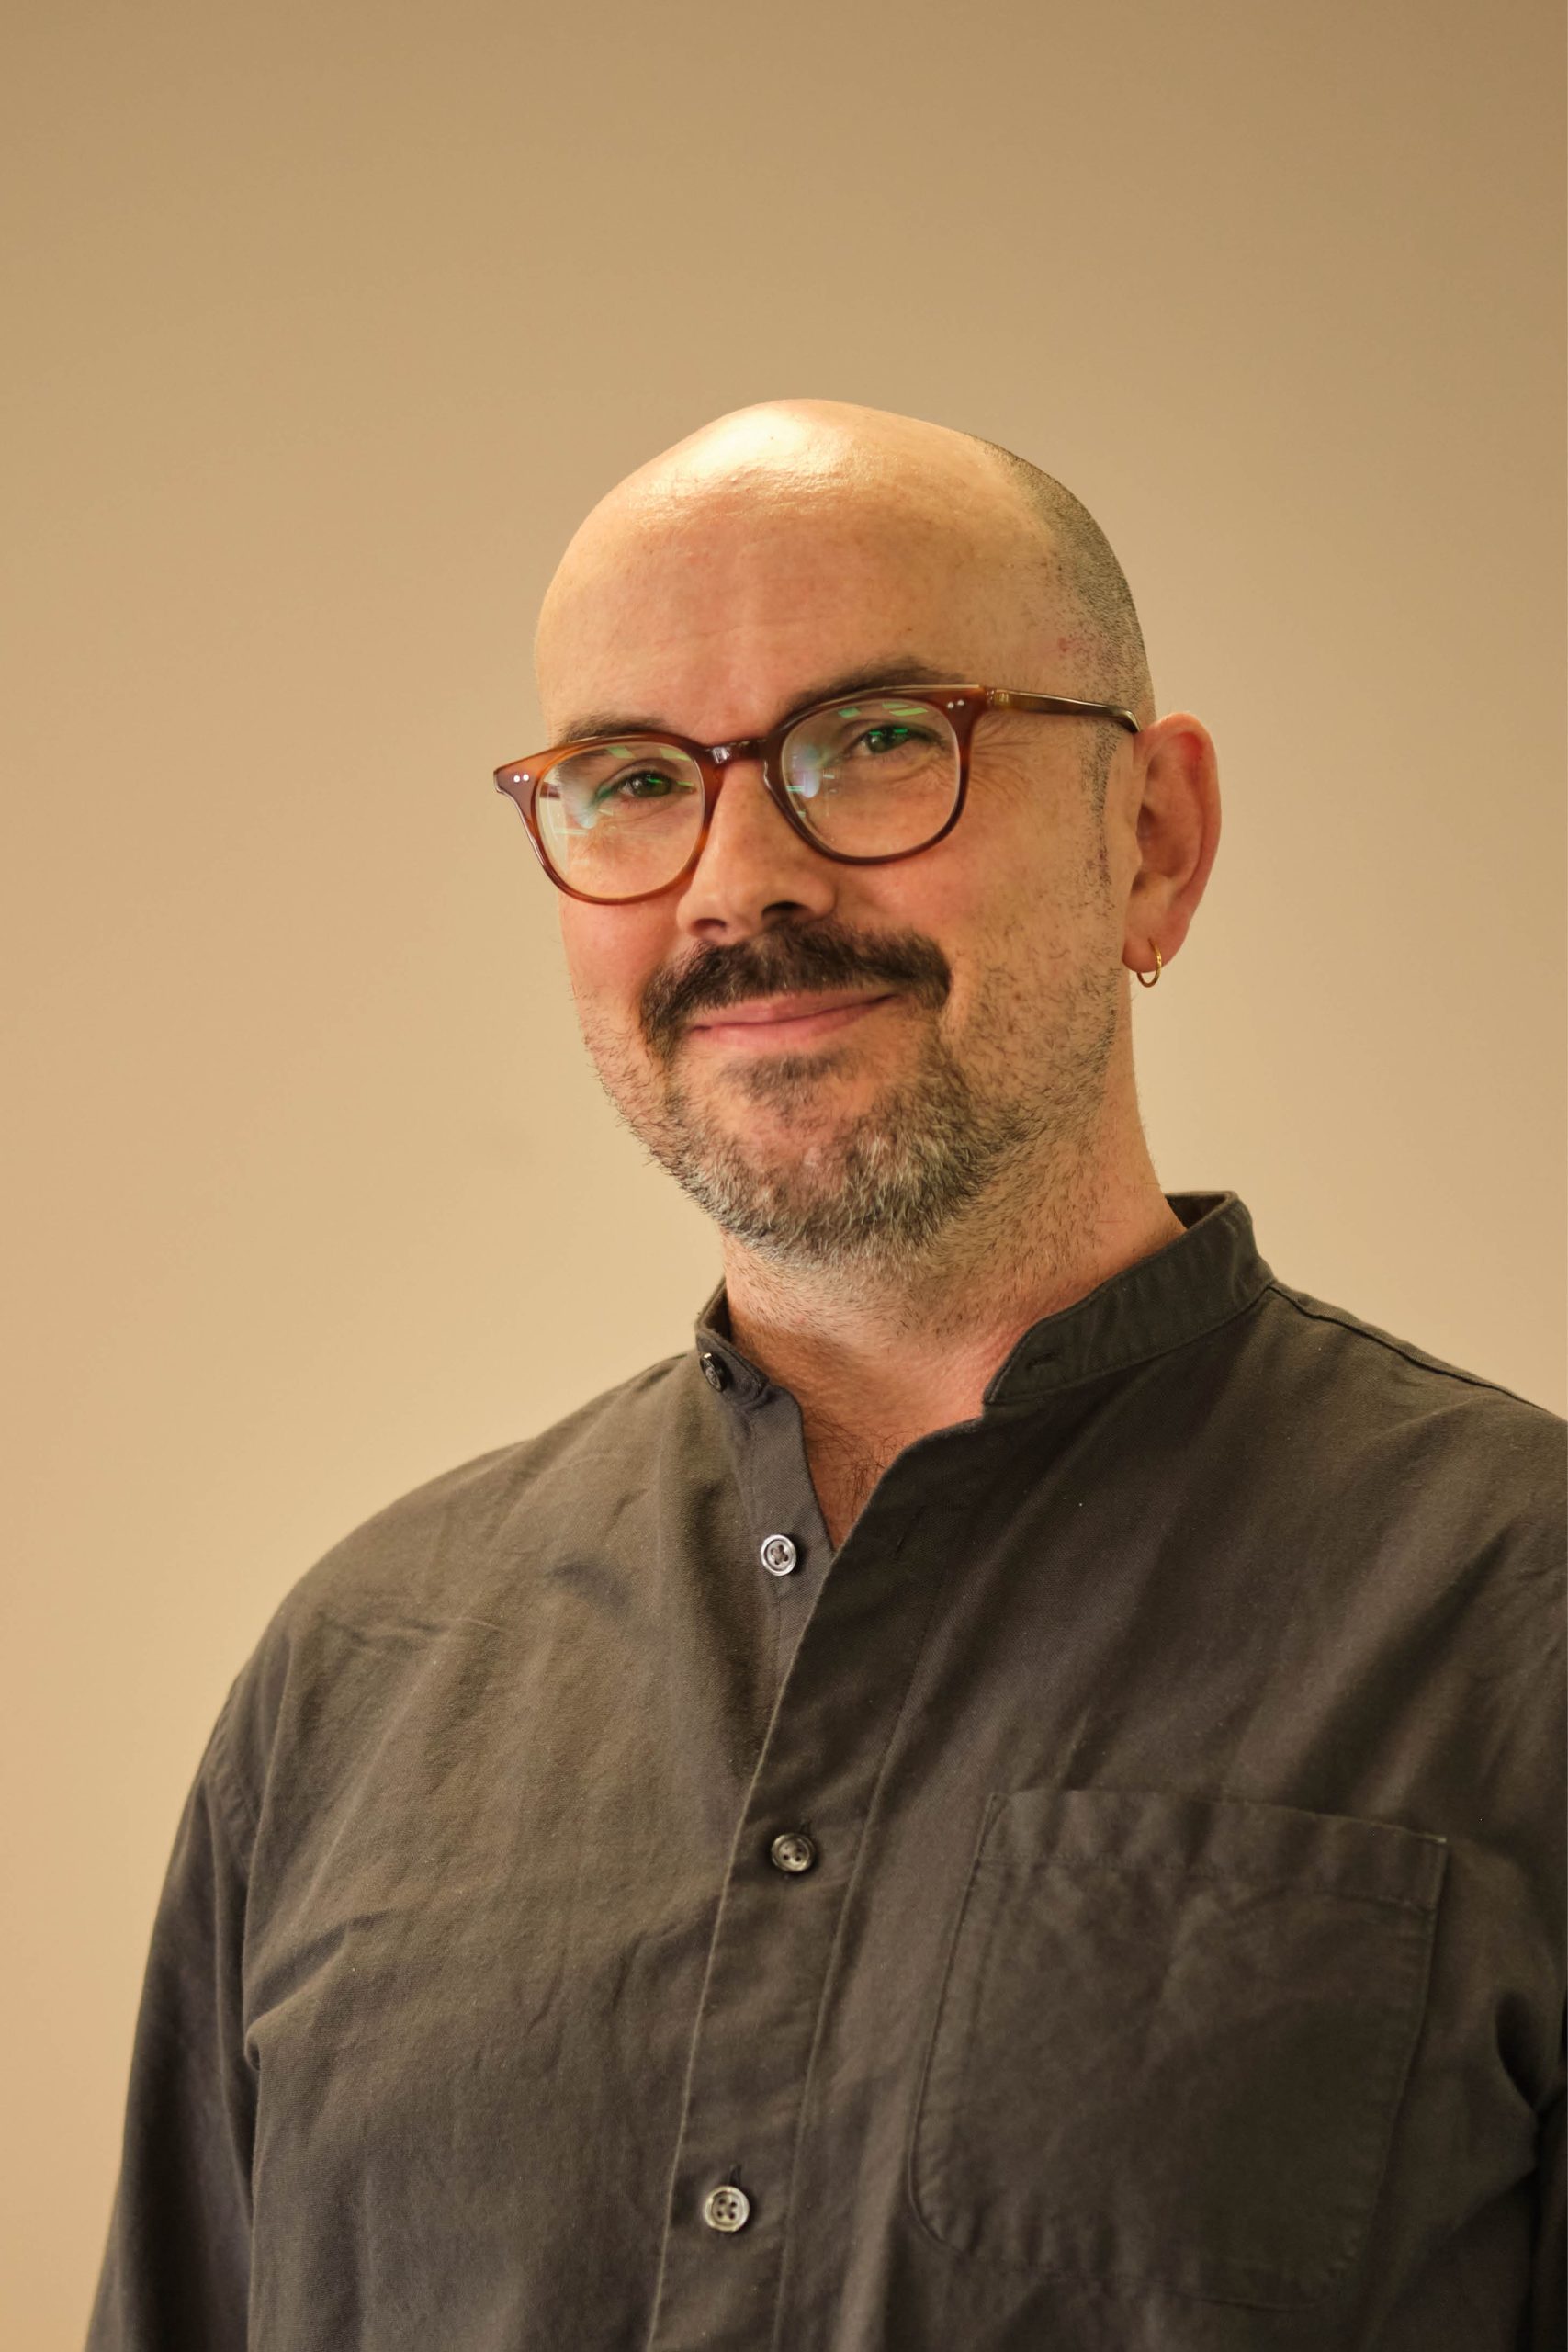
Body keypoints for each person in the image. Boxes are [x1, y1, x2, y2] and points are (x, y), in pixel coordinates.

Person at [86, 400, 1564, 2351]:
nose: (739, 879)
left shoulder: (1518, 1614)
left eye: (875, 744)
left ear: (1151, 838)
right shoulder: (354, 1673)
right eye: (629, 776)